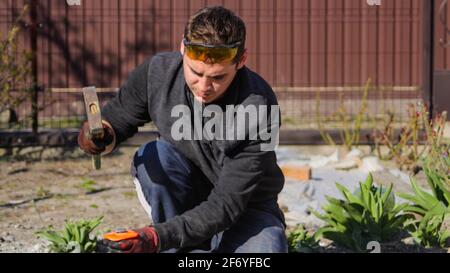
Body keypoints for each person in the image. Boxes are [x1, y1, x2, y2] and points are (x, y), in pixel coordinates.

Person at [78, 6, 287, 253]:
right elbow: (116, 120)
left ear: (241, 60)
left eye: (218, 77)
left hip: (246, 208)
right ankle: (183, 245)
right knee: (155, 156)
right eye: (196, 72)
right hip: (187, 200)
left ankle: (180, 243)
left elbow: (228, 203)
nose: (204, 86)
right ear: (182, 49)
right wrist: (98, 136)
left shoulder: (259, 106)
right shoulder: (158, 74)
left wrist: (155, 238)